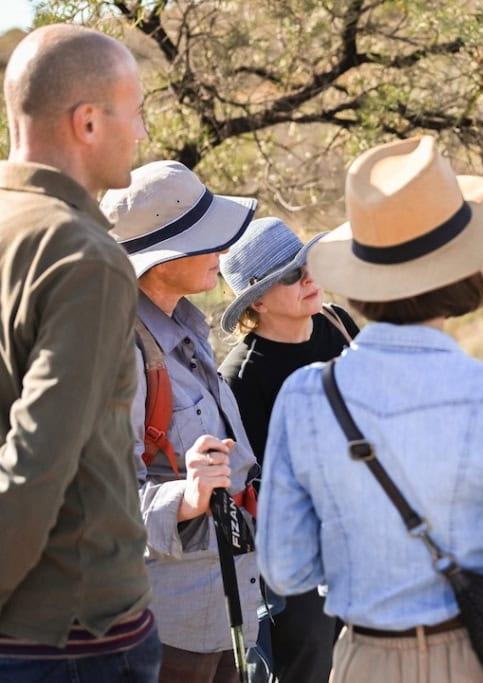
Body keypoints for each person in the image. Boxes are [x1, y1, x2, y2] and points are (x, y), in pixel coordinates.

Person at [257, 136, 483, 683]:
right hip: (481, 655)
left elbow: (284, 567)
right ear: (461, 269)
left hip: (361, 659)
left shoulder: (304, 397)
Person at [0, 24, 160, 681]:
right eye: (137, 111)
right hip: (72, 632)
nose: (143, 133)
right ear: (88, 121)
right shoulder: (83, 254)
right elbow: (38, 460)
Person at [100, 159, 262, 683]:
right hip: (166, 632)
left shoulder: (185, 328)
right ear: (158, 259)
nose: (223, 251)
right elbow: (102, 504)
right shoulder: (117, 353)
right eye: (206, 239)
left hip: (220, 610)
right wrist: (188, 500)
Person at [218, 217, 358, 683]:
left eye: (308, 264)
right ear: (256, 300)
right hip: (299, 559)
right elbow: (256, 487)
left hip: (367, 530)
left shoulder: (339, 324)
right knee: (311, 666)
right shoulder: (240, 378)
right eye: (291, 274)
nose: (309, 278)